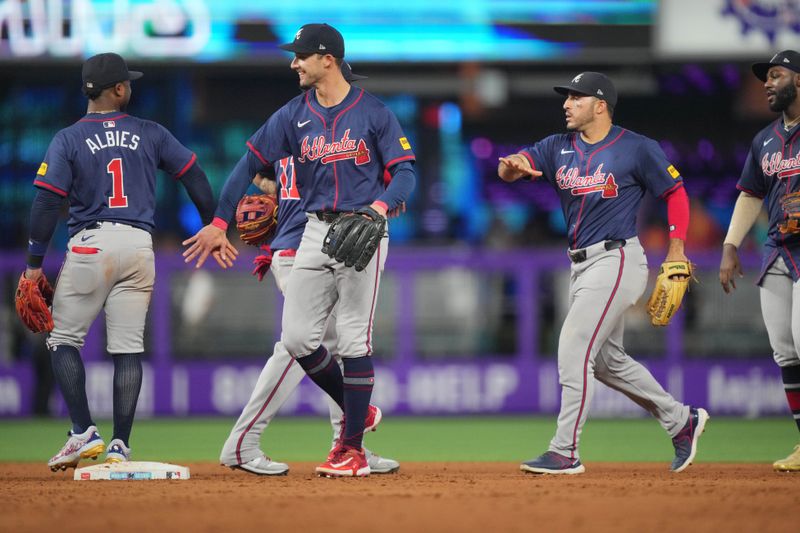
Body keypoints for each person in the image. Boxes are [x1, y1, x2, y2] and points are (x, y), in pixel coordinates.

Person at [184, 23, 415, 477]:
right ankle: (355, 414)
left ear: (327, 58)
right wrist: (216, 223)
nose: (293, 63)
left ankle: (350, 449)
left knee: (352, 340)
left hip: (360, 229)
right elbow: (248, 163)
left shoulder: (375, 113)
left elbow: (405, 172)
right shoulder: (293, 114)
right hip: (311, 232)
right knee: (296, 338)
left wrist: (379, 208)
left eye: (301, 55)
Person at [498, 71, 708, 475]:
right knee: (609, 362)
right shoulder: (556, 146)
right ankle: (682, 421)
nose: (566, 104)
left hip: (617, 258)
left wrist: (677, 248)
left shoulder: (636, 148)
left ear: (600, 105)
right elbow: (512, 168)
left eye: (576, 98)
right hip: (579, 264)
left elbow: (676, 192)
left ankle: (565, 450)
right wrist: (514, 167)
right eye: (567, 98)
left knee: (573, 347)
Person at [27, 52, 222, 471]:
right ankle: (120, 446)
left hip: (91, 242)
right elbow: (193, 173)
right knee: (128, 350)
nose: (130, 87)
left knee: (63, 340)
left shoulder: (69, 138)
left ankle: (82, 432)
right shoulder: (149, 132)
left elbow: (46, 200)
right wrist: (213, 223)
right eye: (127, 82)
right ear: (117, 89)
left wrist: (33, 263)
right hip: (138, 245)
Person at [720, 50, 800, 472]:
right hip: (778, 247)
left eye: (775, 75)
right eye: (765, 77)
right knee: (785, 351)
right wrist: (731, 245)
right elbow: (751, 193)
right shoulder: (765, 139)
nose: (767, 83)